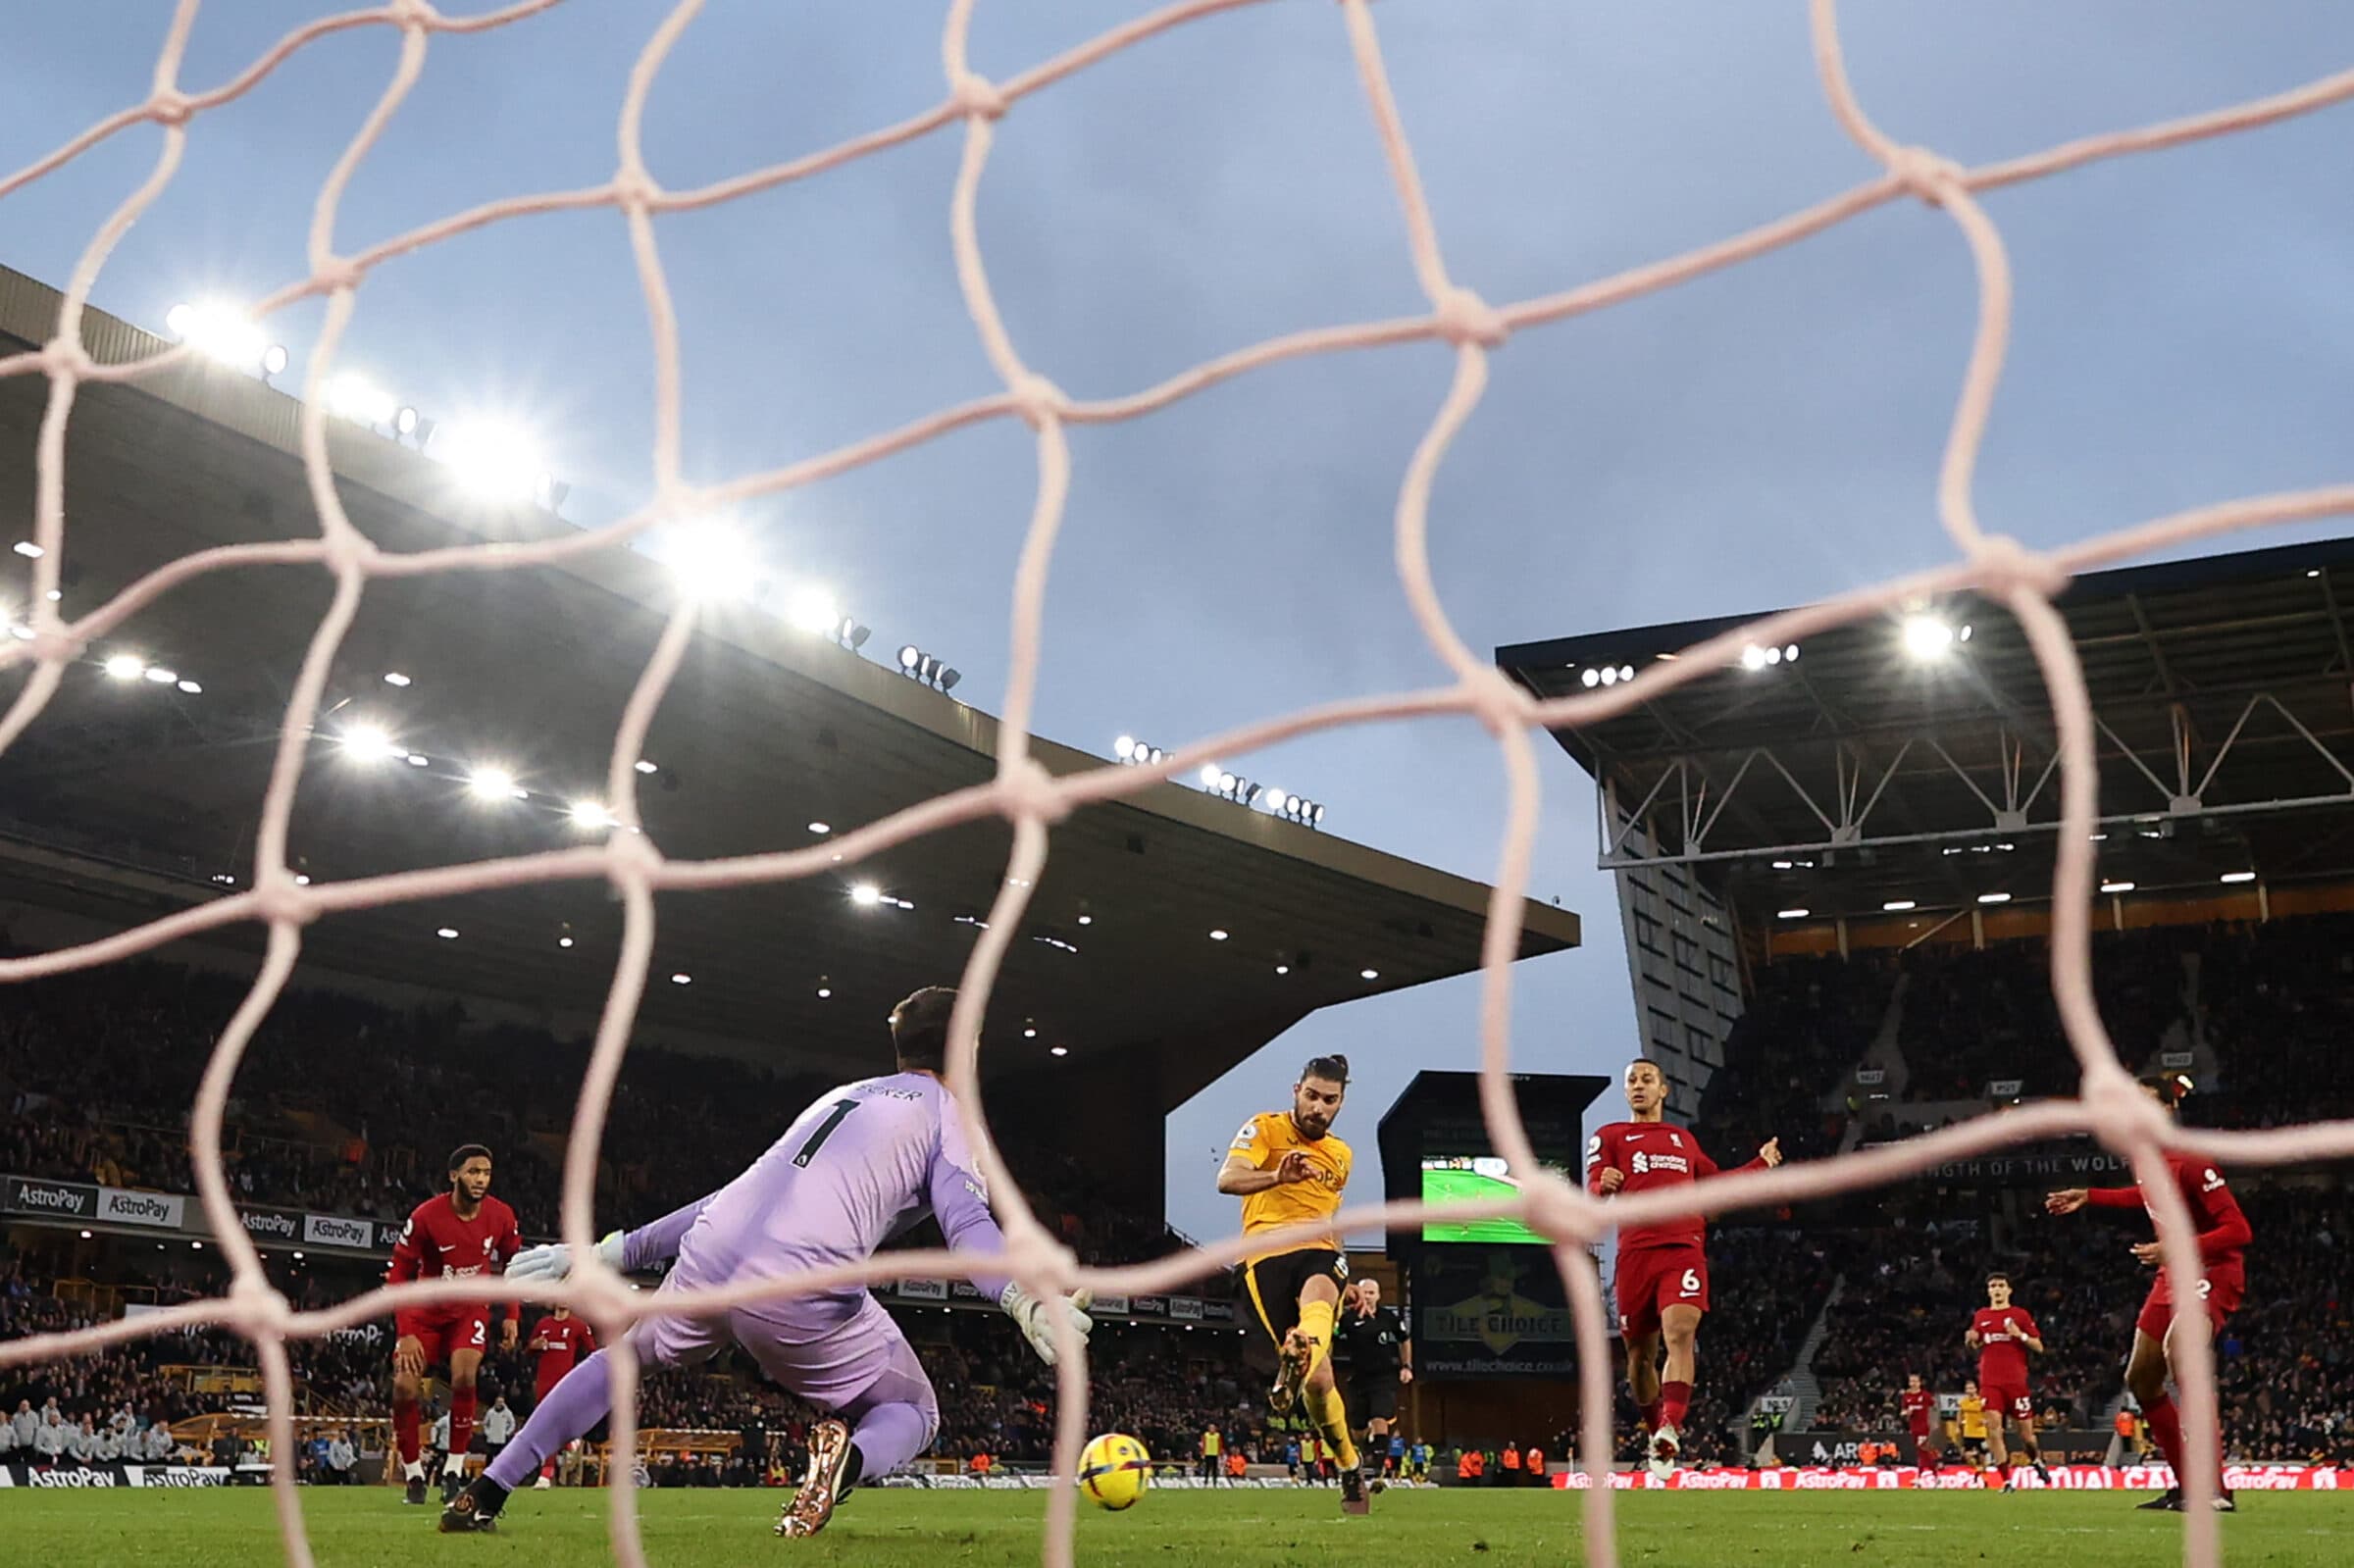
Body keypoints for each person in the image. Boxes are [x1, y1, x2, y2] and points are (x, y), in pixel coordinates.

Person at [436, 986, 1093, 1539]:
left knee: (627, 1356)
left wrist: (612, 1250)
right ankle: (842, 1466)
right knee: (913, 1408)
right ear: (966, 1048)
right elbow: (967, 1223)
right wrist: (1020, 1297)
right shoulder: (949, 1113)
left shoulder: (840, 1097)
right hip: (797, 1275)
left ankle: (487, 1489)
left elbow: (733, 1197)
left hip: (715, 1250)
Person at [2047, 1072, 2252, 1513]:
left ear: (2168, 1108)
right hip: (2173, 1274)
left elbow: (2239, 1230)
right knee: (2140, 1378)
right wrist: (2090, 1196)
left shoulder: (2193, 1159)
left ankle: (2215, 1489)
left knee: (2184, 1356)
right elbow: (2142, 1197)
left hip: (2211, 1271)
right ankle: (2185, 1487)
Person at [1587, 1057, 1782, 1477]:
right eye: (1632, 1080)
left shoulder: (1683, 1141)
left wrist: (1760, 1164)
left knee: (1680, 1332)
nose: (1638, 1085)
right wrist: (1601, 1183)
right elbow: (1594, 1181)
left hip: (1683, 1249)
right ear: (1626, 1091)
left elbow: (1716, 1186)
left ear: (1664, 1090)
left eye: (1647, 1079)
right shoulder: (1610, 1135)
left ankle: (1671, 1429)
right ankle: (1656, 1426)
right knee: (1639, 1358)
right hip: (1636, 1254)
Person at [1218, 1052, 1366, 1514]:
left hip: (1319, 1249)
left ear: (1341, 1102)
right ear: (1295, 1092)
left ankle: (1302, 1340)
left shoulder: (1341, 1155)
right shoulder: (1263, 1128)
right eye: (1311, 1096)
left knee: (1321, 1287)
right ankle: (1348, 1463)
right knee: (1320, 1383)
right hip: (1264, 1253)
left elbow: (1332, 1215)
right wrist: (1276, 1176)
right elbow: (1227, 1179)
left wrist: (1349, 1271)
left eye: (1329, 1100)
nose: (1318, 1107)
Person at [387, 1143, 523, 1505]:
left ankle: (453, 1470)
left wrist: (511, 1314)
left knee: (465, 1377)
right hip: (423, 1312)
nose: (480, 1179)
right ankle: (414, 1475)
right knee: (403, 1388)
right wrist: (406, 1334)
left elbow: (514, 1265)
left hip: (469, 1310)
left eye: (486, 1173)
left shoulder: (501, 1215)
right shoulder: (426, 1216)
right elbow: (398, 1274)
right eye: (473, 1172)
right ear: (454, 1176)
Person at [1966, 1272, 2050, 1489]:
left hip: (2016, 1382)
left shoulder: (2019, 1315)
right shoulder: (1981, 1315)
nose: (1997, 1289)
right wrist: (1971, 1340)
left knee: (2027, 1435)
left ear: (2009, 1290)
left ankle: (2036, 1459)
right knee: (1994, 1429)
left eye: (2001, 1285)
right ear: (1988, 1291)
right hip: (1990, 1382)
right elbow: (1977, 1343)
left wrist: (2019, 1334)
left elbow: (2039, 1347)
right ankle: (2006, 1480)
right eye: (1993, 1286)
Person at [1336, 1276, 1412, 1478]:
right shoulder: (1348, 1319)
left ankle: (1378, 1466)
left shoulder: (1389, 1318)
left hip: (1384, 1377)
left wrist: (1406, 1366)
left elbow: (1404, 1340)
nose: (1368, 1297)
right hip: (1358, 1377)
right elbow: (1331, 1338)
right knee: (1357, 1428)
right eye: (1365, 1292)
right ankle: (1364, 1448)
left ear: (1378, 1295)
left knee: (1380, 1416)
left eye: (1372, 1293)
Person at [526, 1305, 596, 1488]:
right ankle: (568, 1441)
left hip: (563, 1382)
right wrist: (535, 1345)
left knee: (550, 1424)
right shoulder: (543, 1324)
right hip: (543, 1382)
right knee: (545, 1425)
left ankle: (545, 1474)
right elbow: (529, 1349)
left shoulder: (578, 1326)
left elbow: (592, 1351)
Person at [1900, 1373, 1935, 1467]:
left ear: (1919, 1383)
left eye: (1915, 1381)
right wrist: (1907, 1413)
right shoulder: (1906, 1396)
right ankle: (1932, 1472)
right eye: (1911, 1381)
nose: (1913, 1383)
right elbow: (1902, 1412)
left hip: (1924, 1427)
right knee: (1921, 1451)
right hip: (1913, 1427)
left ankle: (1927, 1473)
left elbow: (1934, 1406)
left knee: (1922, 1450)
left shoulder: (1925, 1395)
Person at [1955, 1380, 1989, 1474]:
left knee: (1983, 1457)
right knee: (1966, 1455)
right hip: (1968, 1432)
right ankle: (1977, 1468)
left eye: (1971, 1388)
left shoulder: (1981, 1401)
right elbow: (1959, 1414)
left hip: (1980, 1433)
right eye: (1967, 1389)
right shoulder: (1963, 1402)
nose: (1969, 1390)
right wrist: (1958, 1426)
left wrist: (1986, 1420)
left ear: (1976, 1389)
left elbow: (1988, 1413)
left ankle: (1985, 1477)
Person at [480, 1395, 516, 1477]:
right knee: (489, 1457)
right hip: (491, 1439)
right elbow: (485, 1424)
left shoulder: (507, 1413)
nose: (500, 1404)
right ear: (495, 1402)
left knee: (500, 1458)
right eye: (498, 1402)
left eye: (501, 1402)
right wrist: (487, 1433)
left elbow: (512, 1424)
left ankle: (500, 1473)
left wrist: (507, 1433)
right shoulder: (490, 1412)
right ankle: (487, 1474)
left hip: (501, 1439)